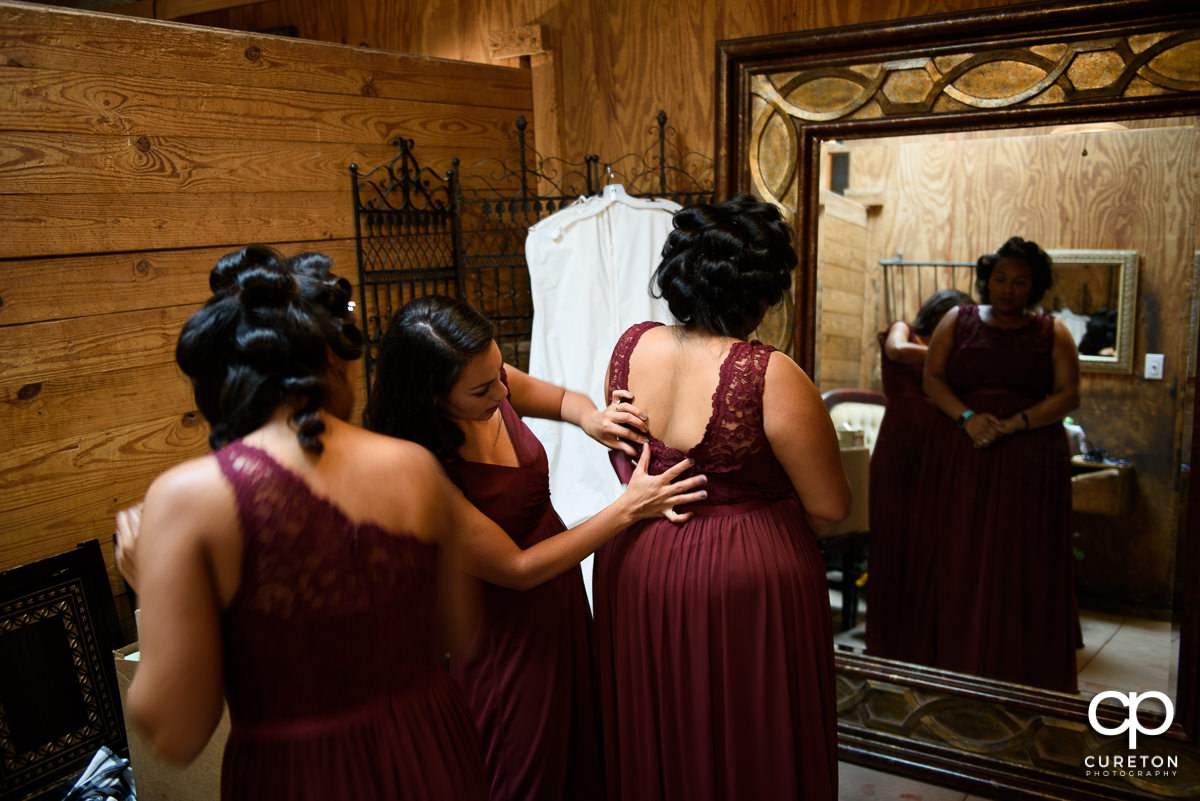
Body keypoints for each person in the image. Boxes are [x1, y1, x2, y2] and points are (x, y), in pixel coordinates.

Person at [117, 245, 706, 801]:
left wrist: (162, 586)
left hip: (298, 769)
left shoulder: (187, 501)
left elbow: (177, 732)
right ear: (335, 359)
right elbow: (458, 632)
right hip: (426, 742)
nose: (499, 389)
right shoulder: (412, 467)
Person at [592, 194, 851, 800]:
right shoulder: (771, 373)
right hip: (743, 576)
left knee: (660, 722)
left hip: (639, 561)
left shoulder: (630, 347)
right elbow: (830, 507)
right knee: (748, 732)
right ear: (764, 290)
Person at [362, 295, 667, 801]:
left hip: (560, 599)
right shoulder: (419, 468)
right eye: (483, 387)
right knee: (520, 768)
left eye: (500, 372)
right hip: (504, 632)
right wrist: (629, 508)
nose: (502, 390)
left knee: (575, 751)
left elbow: (566, 399)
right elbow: (517, 569)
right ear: (428, 396)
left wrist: (592, 420)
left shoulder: (491, 382)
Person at [921, 236, 1081, 692]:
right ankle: (958, 658)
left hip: (1030, 460)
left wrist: (1016, 424)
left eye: (1020, 282)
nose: (1008, 288)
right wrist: (968, 419)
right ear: (987, 280)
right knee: (961, 551)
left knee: (1024, 557)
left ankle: (1021, 666)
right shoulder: (958, 319)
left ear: (1036, 287)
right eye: (1001, 279)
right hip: (965, 452)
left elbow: (1069, 394)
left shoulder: (1055, 331)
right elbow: (932, 378)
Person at [866, 288, 972, 661]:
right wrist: (950, 353)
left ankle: (924, 633)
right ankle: (887, 634)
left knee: (930, 537)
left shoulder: (955, 347)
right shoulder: (905, 330)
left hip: (940, 444)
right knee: (894, 533)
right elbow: (895, 351)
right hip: (901, 443)